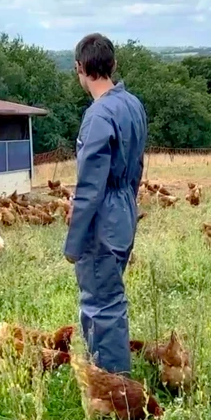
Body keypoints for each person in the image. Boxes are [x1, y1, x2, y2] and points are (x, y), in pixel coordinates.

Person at [62, 33, 148, 375]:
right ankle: (113, 378)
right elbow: (138, 166)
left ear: (79, 68)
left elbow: (89, 187)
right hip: (125, 206)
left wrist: (74, 242)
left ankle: (114, 389)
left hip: (103, 216)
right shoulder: (132, 104)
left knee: (101, 304)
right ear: (112, 64)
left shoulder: (98, 116)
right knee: (111, 296)